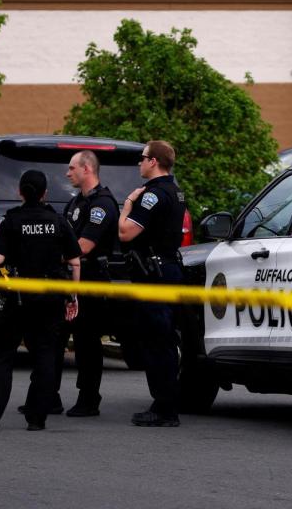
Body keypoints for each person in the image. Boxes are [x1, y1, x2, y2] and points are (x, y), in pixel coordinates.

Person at [0, 170, 82, 432]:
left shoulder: (12, 220)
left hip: (16, 298)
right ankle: (37, 417)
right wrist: (72, 296)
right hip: (50, 298)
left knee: (2, 355)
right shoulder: (58, 221)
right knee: (45, 355)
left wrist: (0, 260)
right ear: (44, 193)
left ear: (21, 192)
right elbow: (74, 262)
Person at [118, 140, 186, 428]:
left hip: (155, 274)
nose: (139, 162)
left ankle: (165, 408)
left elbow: (125, 233)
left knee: (157, 342)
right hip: (167, 270)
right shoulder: (176, 191)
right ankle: (165, 403)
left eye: (142, 158)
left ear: (154, 162)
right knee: (165, 341)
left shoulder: (152, 196)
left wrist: (127, 205)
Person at [58, 150, 121, 417]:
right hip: (70, 278)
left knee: (86, 340)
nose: (67, 172)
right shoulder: (76, 204)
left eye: (72, 168)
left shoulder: (102, 204)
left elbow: (83, 246)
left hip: (92, 279)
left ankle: (89, 398)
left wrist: (50, 255)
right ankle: (48, 395)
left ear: (87, 169)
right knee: (59, 337)